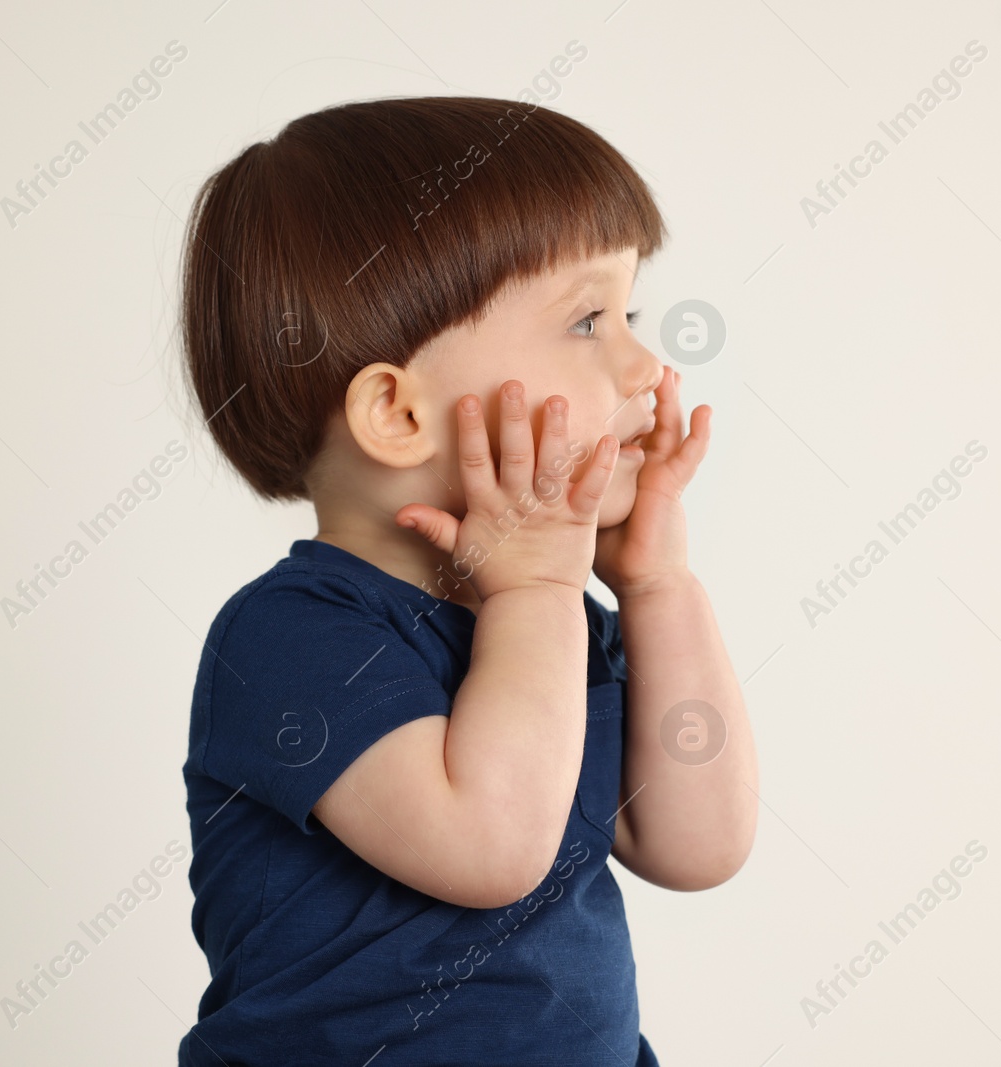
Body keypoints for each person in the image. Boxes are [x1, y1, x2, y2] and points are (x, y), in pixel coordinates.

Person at [175, 94, 757, 1065]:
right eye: (585, 321)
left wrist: (657, 586)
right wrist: (534, 590)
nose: (643, 363)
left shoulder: (556, 621)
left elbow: (698, 844)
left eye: (631, 313)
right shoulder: (288, 637)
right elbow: (490, 846)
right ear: (399, 414)